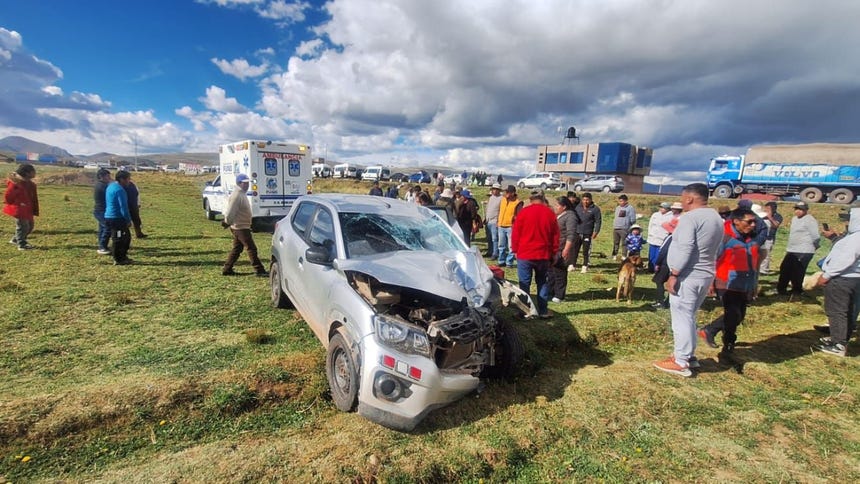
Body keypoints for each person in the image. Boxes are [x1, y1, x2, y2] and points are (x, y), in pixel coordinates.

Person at [653, 183, 723, 377]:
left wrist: (674, 274)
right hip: (705, 273)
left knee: (681, 317)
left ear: (690, 198)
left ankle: (680, 361)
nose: (682, 202)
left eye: (683, 198)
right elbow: (716, 247)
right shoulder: (715, 217)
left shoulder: (690, 218)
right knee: (689, 316)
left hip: (688, 274)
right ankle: (689, 356)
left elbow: (685, 247)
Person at [697, 208, 760, 354]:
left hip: (745, 283)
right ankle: (728, 343)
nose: (752, 225)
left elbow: (755, 263)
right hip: (726, 282)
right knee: (733, 313)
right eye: (749, 221)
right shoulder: (723, 237)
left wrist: (754, 284)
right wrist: (710, 282)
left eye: (754, 222)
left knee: (740, 315)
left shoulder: (752, 239)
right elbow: (711, 260)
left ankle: (709, 330)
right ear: (736, 221)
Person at [813, 209, 860, 357]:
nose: (846, 223)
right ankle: (839, 338)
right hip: (854, 279)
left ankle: (838, 345)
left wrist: (827, 275)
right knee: (848, 310)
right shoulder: (854, 236)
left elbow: (845, 260)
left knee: (837, 311)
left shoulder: (855, 238)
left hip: (843, 279)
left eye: (849, 219)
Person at [512, 191, 559, 318]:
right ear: (543, 199)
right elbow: (555, 236)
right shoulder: (550, 214)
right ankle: (543, 311)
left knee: (524, 283)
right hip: (543, 254)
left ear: (530, 200)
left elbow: (516, 233)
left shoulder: (523, 213)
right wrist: (554, 253)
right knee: (542, 282)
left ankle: (525, 311)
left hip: (525, 253)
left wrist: (515, 250)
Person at [222, 174, 267, 277]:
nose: (247, 185)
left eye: (247, 183)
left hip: (241, 226)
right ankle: (259, 270)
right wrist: (227, 222)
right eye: (244, 183)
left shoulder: (241, 193)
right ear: (239, 183)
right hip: (240, 227)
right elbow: (230, 212)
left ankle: (227, 269)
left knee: (237, 249)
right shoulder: (237, 195)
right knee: (251, 248)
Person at [776, 202, 819, 298]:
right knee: (785, 268)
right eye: (796, 209)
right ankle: (781, 289)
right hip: (792, 249)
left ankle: (796, 291)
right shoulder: (794, 219)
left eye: (801, 209)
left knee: (797, 271)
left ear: (806, 210)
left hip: (804, 250)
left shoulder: (810, 220)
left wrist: (815, 246)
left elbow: (815, 236)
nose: (798, 211)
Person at [3, 163, 39, 250]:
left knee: (30, 226)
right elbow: (8, 196)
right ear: (26, 173)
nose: (35, 173)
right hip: (19, 209)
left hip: (27, 208)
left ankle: (16, 239)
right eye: (32, 171)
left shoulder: (29, 183)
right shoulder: (16, 184)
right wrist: (17, 204)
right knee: (23, 227)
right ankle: (22, 244)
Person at [548, 196, 578, 303]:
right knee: (551, 271)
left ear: (564, 207)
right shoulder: (559, 216)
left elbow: (571, 234)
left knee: (560, 271)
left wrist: (566, 249)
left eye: (557, 205)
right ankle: (550, 291)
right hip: (555, 247)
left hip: (563, 248)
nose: (555, 207)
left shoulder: (570, 217)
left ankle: (560, 295)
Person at [104, 170, 134, 265]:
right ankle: (118, 259)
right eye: (128, 179)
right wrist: (128, 220)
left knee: (126, 237)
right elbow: (123, 207)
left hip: (110, 216)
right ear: (122, 179)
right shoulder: (120, 190)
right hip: (116, 218)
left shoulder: (111, 186)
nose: (129, 181)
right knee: (119, 238)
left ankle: (123, 256)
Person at [572, 192, 601, 273]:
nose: (585, 201)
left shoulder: (595, 209)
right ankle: (572, 264)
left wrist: (596, 231)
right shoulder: (578, 207)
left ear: (591, 200)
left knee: (585, 250)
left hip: (587, 232)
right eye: (584, 200)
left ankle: (585, 265)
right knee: (575, 249)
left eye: (587, 200)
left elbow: (598, 221)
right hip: (577, 231)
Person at [497, 185, 522, 267]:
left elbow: (519, 216)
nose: (506, 193)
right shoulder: (503, 199)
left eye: (508, 192)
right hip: (501, 225)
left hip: (510, 227)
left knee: (511, 246)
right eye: (506, 192)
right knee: (501, 245)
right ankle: (501, 261)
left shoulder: (517, 202)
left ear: (513, 193)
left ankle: (509, 262)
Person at [646, 202, 673, 272]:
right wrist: (650, 234)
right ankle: (650, 268)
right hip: (653, 238)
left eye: (663, 207)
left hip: (662, 238)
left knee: (658, 255)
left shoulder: (671, 216)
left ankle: (656, 269)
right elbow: (650, 225)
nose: (661, 209)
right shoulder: (655, 215)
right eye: (660, 207)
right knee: (651, 255)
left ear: (667, 209)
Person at [759, 201, 783, 274]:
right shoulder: (762, 215)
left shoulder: (778, 216)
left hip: (769, 237)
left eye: (768, 208)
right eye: (765, 208)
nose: (766, 210)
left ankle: (764, 270)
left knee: (766, 253)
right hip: (760, 236)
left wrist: (770, 217)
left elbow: (775, 225)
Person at [93, 168, 113, 255]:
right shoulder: (103, 186)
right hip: (101, 211)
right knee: (107, 228)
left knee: (102, 228)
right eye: (107, 176)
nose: (109, 177)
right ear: (101, 177)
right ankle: (102, 247)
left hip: (99, 210)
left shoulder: (100, 185)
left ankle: (101, 244)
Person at [612, 194, 637, 260]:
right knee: (615, 242)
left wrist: (629, 225)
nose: (620, 202)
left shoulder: (630, 208)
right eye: (619, 201)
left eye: (622, 201)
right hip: (616, 228)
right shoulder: (617, 208)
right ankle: (614, 254)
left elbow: (633, 219)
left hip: (624, 228)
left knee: (624, 243)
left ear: (626, 201)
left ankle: (624, 255)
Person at [484, 183, 503, 258]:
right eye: (493, 189)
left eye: (495, 189)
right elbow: (488, 208)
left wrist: (498, 220)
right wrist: (485, 218)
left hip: (495, 220)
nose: (494, 191)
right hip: (488, 220)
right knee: (489, 237)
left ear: (498, 190)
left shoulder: (501, 198)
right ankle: (490, 251)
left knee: (494, 238)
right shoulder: (491, 197)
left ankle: (495, 253)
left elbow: (501, 210)